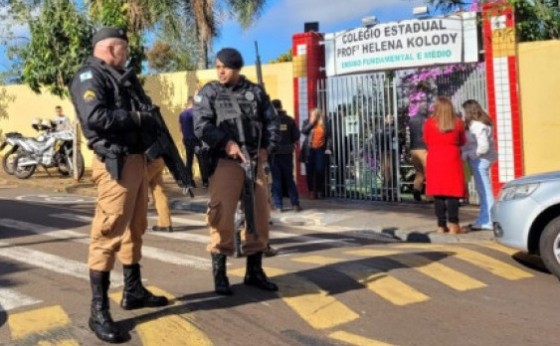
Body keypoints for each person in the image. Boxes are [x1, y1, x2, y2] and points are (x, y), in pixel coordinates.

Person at [69, 27, 168, 343]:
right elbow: (96, 116)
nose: (127, 53)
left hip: (137, 161)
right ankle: (97, 311)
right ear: (110, 48)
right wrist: (138, 119)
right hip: (116, 164)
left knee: (135, 227)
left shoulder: (122, 77)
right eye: (123, 48)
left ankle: (133, 290)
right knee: (108, 233)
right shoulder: (89, 77)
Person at [193, 47, 280, 296]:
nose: (220, 71)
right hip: (226, 162)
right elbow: (202, 125)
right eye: (218, 66)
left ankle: (254, 271)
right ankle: (220, 275)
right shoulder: (210, 92)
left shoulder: (255, 92)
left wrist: (267, 149)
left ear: (237, 68)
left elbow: (272, 122)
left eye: (225, 67)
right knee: (222, 215)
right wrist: (226, 143)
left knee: (259, 216)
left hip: (253, 162)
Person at [424, 96, 466, 235]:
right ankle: (454, 224)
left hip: (435, 158)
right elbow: (462, 141)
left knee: (438, 194)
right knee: (453, 193)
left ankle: (441, 226)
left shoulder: (429, 123)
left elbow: (426, 140)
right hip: (452, 158)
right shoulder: (458, 123)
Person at [461, 99, 497, 231]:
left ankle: (488, 220)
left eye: (464, 111)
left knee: (484, 190)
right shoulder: (481, 123)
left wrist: (468, 154)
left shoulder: (478, 126)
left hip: (480, 160)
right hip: (480, 159)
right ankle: (484, 218)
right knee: (482, 190)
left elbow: (483, 147)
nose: (463, 114)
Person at [269, 99, 302, 212]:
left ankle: (278, 205)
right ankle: (295, 204)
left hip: (274, 154)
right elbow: (296, 136)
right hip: (287, 153)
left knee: (276, 180)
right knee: (289, 179)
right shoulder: (290, 120)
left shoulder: (270, 120)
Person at [179, 96, 209, 188]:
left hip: (186, 140)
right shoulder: (195, 113)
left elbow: (180, 129)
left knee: (189, 161)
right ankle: (205, 182)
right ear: (193, 103)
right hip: (196, 140)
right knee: (201, 160)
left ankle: (190, 182)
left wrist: (184, 137)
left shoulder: (182, 114)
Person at [301, 108, 330, 199]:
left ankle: (319, 191)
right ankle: (311, 192)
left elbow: (329, 136)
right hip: (309, 150)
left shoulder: (324, 123)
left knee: (320, 170)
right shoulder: (307, 122)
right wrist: (311, 123)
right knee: (309, 171)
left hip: (320, 150)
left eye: (314, 115)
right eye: (311, 114)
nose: (312, 116)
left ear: (318, 115)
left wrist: (329, 148)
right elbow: (304, 132)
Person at [145, 151, 173, 232]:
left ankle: (132, 224)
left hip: (148, 161)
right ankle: (165, 223)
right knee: (159, 192)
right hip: (159, 159)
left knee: (137, 189)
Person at [408, 100, 430, 201]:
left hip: (413, 149)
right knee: (429, 171)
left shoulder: (411, 120)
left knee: (419, 172)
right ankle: (430, 195)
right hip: (423, 148)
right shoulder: (426, 120)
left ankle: (416, 190)